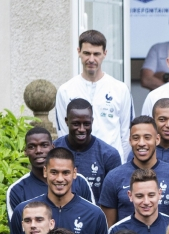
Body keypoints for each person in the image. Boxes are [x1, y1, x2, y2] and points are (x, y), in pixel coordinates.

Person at [8, 148, 108, 234]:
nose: (60, 179)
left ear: (74, 173)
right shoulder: (24, 212)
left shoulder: (94, 215)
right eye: (54, 172)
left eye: (66, 173)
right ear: (45, 172)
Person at [56, 30, 134, 162]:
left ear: (105, 53)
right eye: (87, 53)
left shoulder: (120, 89)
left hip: (112, 164)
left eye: (96, 54)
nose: (91, 59)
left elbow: (126, 135)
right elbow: (63, 133)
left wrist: (121, 165)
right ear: (78, 51)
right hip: (77, 164)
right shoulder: (65, 90)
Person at [99, 116, 169, 225]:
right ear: (130, 140)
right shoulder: (113, 177)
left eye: (147, 137)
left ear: (157, 139)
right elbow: (108, 227)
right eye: (136, 138)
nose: (141, 143)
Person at [7, 127, 94, 221]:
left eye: (44, 145)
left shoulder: (79, 181)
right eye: (32, 146)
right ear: (25, 151)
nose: (38, 151)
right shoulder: (17, 190)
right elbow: (18, 230)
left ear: (53, 147)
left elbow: (91, 218)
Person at [54, 98, 122, 203]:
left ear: (92, 121)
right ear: (67, 121)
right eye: (76, 124)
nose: (81, 129)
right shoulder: (54, 149)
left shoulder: (109, 154)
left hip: (95, 217)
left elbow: (114, 197)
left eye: (86, 124)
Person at [109, 169, 169, 234]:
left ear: (160, 194)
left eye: (151, 195)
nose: (146, 202)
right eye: (139, 196)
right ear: (130, 196)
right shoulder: (116, 230)